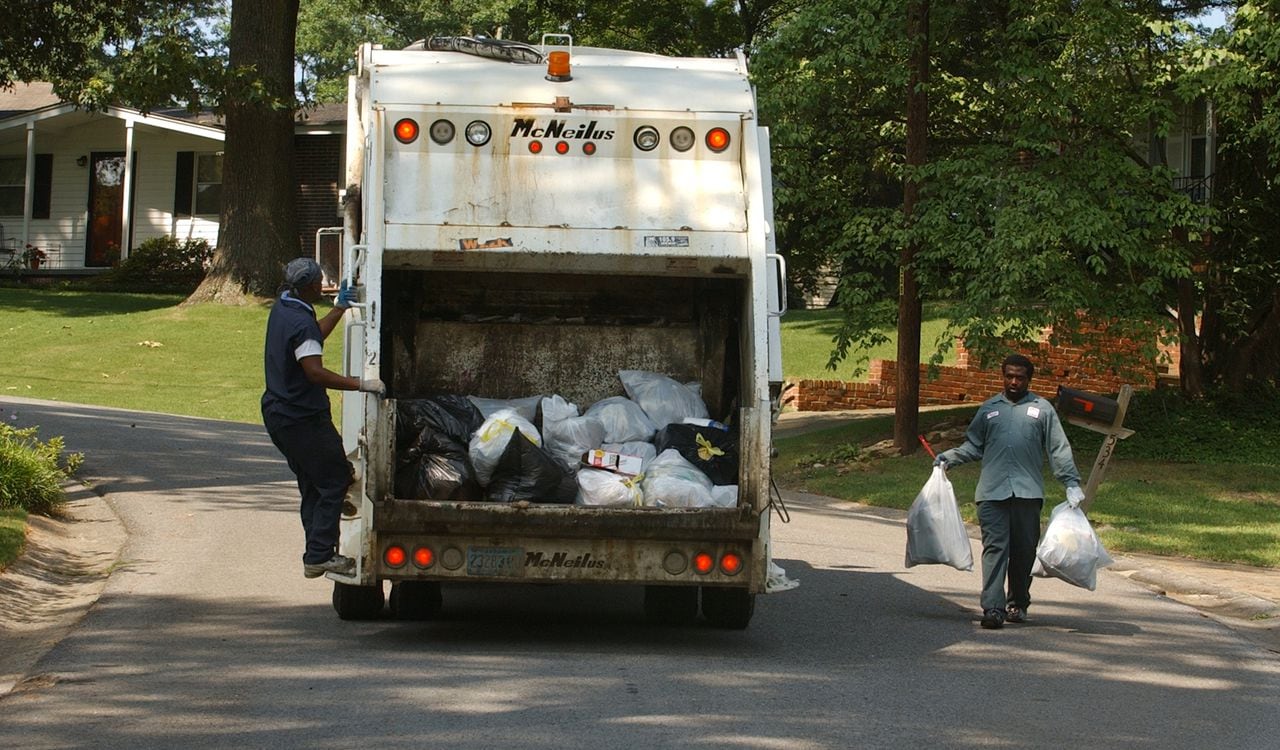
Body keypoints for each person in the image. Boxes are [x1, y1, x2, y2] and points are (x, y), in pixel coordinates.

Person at [934, 353, 1084, 629]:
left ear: (1029, 379)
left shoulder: (1042, 410)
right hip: (992, 492)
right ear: (1003, 376)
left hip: (1027, 494)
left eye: (1020, 377)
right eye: (1009, 376)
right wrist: (950, 457)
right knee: (994, 549)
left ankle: (1018, 604)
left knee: (1024, 551)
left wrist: (1071, 482)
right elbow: (973, 445)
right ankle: (993, 607)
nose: (1014, 381)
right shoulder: (990, 409)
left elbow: (1058, 449)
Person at [262, 258, 385, 579]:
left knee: (314, 485)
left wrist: (339, 310)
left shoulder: (285, 307)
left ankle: (316, 554)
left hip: (281, 415)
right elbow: (314, 372)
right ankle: (319, 554)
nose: (322, 286)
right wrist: (361, 384)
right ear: (310, 286)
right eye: (319, 282)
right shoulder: (300, 321)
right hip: (302, 418)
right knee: (334, 479)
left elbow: (311, 339)